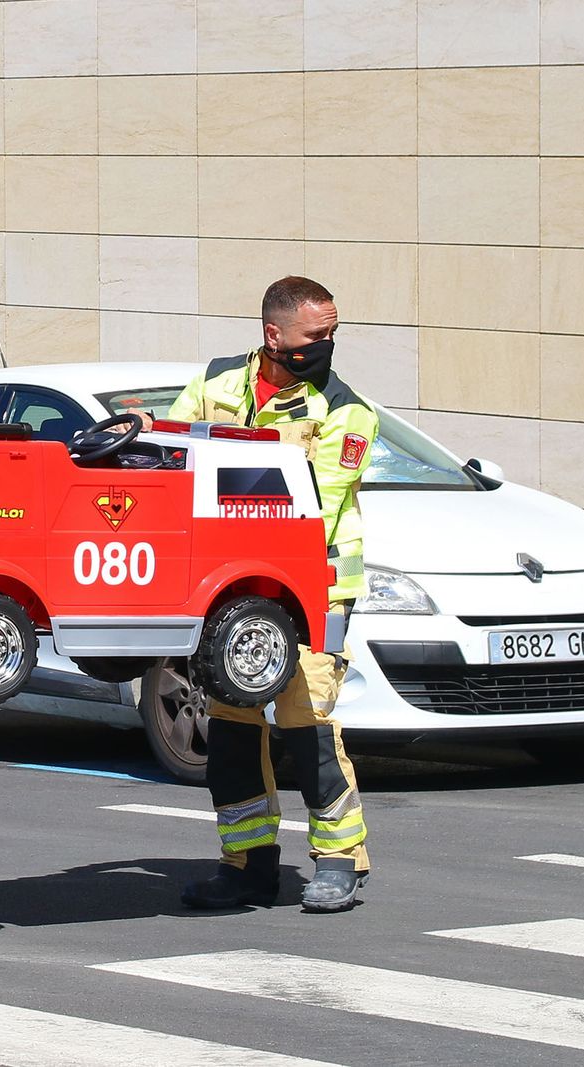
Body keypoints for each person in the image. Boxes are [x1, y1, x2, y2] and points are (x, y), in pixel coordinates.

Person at [169, 275, 376, 913]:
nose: (328, 344)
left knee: (306, 723)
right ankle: (248, 866)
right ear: (274, 334)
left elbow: (310, 494)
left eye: (333, 333)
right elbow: (169, 452)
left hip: (315, 590)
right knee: (230, 730)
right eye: (318, 334)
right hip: (230, 593)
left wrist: (219, 458)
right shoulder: (217, 382)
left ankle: (341, 860)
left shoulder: (348, 411)